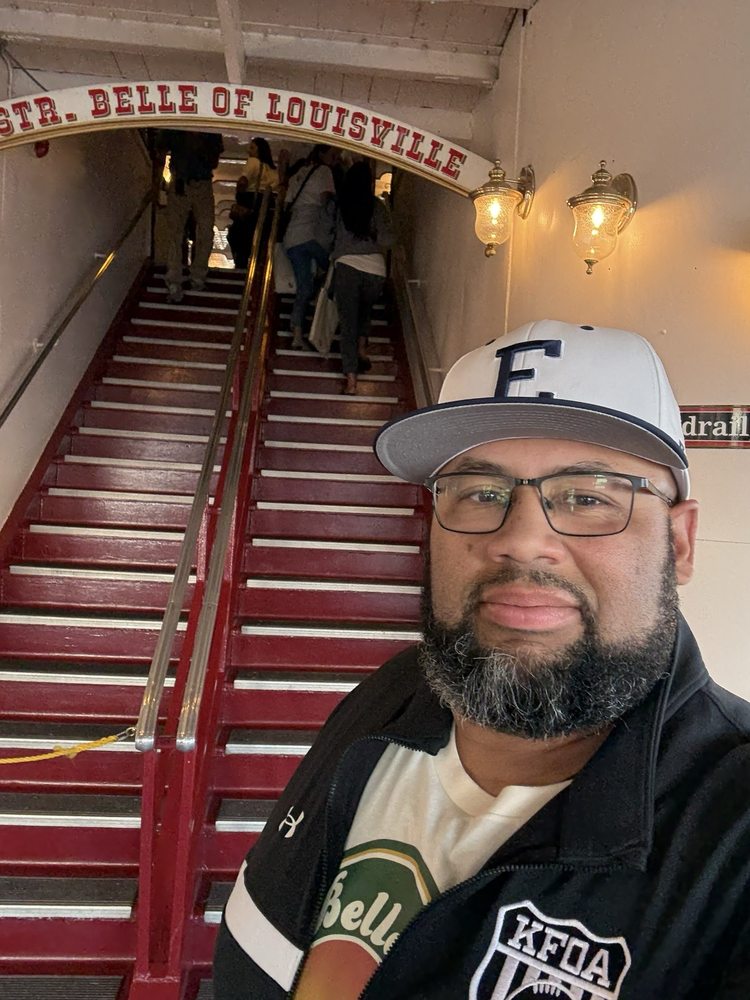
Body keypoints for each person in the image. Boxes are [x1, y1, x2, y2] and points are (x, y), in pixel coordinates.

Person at [213, 320, 750, 999]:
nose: (521, 540)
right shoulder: (391, 696)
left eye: (588, 497)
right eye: (479, 492)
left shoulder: (731, 830)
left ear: (680, 543)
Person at [331, 161, 394, 394]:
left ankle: (351, 380)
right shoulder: (377, 206)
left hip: (347, 266)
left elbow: (327, 234)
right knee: (364, 310)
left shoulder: (339, 205)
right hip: (375, 269)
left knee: (348, 322)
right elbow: (388, 239)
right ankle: (362, 348)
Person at [154, 129, 223, 303]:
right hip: (183, 181)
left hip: (196, 181)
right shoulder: (180, 128)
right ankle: (182, 277)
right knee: (177, 232)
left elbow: (214, 160)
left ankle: (191, 276)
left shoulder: (206, 131)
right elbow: (161, 148)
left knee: (203, 230)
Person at [282, 144, 338, 350]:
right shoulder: (324, 171)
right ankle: (319, 304)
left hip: (292, 238)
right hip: (313, 235)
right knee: (334, 269)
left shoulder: (298, 174)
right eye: (333, 154)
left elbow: (286, 203)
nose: (335, 159)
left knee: (303, 287)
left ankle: (297, 335)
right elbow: (326, 201)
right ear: (322, 154)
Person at [227, 137, 279, 269]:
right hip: (266, 204)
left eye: (252, 147)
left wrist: (239, 194)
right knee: (257, 236)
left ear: (260, 150)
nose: (248, 150)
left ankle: (241, 264)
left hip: (250, 200)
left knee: (237, 235)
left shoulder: (253, 162)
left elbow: (244, 180)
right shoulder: (272, 170)